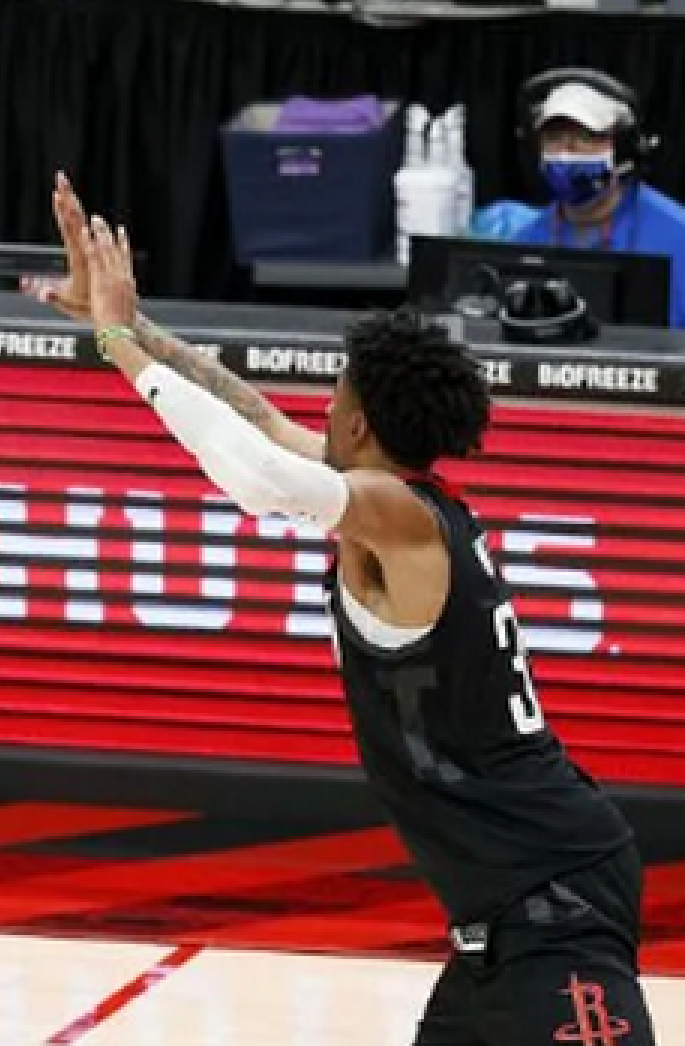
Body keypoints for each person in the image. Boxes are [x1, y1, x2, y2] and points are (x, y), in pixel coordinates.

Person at [46, 174, 656, 1045]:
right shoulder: (390, 499)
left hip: (554, 899)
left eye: (336, 391)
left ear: (361, 422)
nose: (324, 406)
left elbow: (258, 476)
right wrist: (131, 328)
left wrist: (117, 342)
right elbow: (254, 419)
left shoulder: (401, 518)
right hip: (501, 914)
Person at [507, 67, 685, 329]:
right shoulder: (526, 241)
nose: (567, 152)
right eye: (554, 137)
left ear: (624, 151)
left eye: (586, 137)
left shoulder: (678, 235)